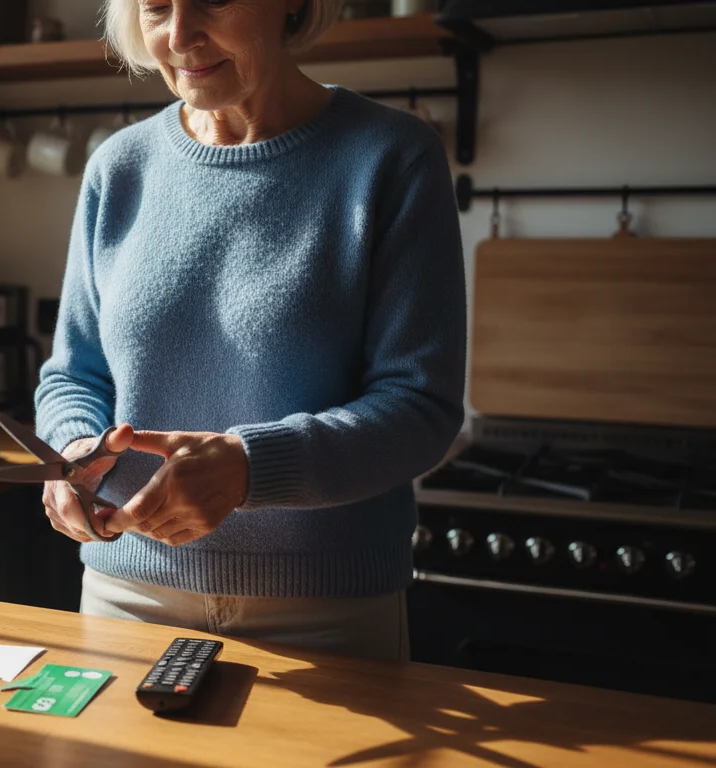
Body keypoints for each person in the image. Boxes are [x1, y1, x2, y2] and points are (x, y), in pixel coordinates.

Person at [33, 0, 466, 661]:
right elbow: (73, 373)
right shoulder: (118, 168)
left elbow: (421, 409)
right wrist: (70, 456)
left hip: (325, 609)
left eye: (210, 0)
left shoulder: (391, 158)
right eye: (155, 7)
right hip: (127, 594)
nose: (178, 36)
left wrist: (249, 469)